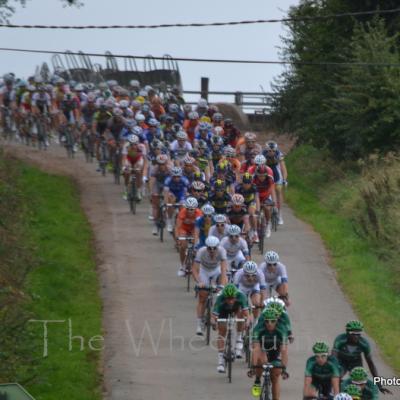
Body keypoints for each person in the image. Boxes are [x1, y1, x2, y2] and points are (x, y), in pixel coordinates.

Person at [332, 320, 391, 394]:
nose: (356, 336)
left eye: (358, 334)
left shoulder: (364, 344)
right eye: (353, 334)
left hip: (355, 362)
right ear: (347, 332)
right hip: (342, 361)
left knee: (359, 381)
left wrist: (379, 385)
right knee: (336, 376)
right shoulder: (340, 339)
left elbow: (371, 364)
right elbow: (333, 359)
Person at [192, 236, 228, 335]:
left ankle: (215, 315)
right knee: (202, 296)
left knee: (220, 292)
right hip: (204, 271)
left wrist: (222, 285)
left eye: (214, 248)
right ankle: (199, 324)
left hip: (216, 270)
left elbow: (224, 270)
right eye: (209, 248)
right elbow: (194, 270)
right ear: (206, 247)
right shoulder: (201, 251)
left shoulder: (222, 251)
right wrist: (199, 282)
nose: (212, 250)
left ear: (218, 247)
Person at [251, 308, 289, 399]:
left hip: (275, 352)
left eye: (272, 321)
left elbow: (284, 350)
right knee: (260, 361)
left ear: (277, 321)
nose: (269, 323)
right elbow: (256, 349)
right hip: (262, 349)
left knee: (275, 376)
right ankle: (257, 380)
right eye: (267, 321)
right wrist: (253, 367)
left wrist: (284, 369)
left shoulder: (282, 329)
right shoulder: (258, 328)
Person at [211, 283, 250, 371]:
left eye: (232, 298)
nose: (231, 301)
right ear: (224, 297)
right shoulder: (220, 298)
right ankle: (221, 360)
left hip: (237, 309)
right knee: (222, 332)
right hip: (223, 311)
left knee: (241, 315)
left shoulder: (241, 296)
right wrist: (213, 322)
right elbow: (213, 316)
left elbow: (247, 314)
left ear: (236, 296)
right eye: (228, 298)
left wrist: (247, 321)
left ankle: (239, 338)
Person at [175, 197, 202, 277]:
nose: (190, 211)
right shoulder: (182, 212)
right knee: (182, 246)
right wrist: (178, 238)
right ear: (186, 208)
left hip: (194, 229)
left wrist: (197, 240)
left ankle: (194, 261)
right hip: (184, 229)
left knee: (195, 243)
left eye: (192, 209)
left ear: (195, 209)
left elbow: (199, 228)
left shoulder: (199, 214)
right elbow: (177, 227)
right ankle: (182, 266)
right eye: (188, 209)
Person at [163, 166, 190, 232]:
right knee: (171, 202)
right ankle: (169, 221)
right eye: (174, 177)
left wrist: (184, 202)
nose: (176, 178)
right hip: (171, 192)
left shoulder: (185, 180)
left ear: (181, 176)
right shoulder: (167, 180)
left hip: (180, 193)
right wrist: (166, 204)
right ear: (171, 176)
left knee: (182, 206)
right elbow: (166, 193)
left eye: (178, 176)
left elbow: (186, 193)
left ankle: (181, 220)